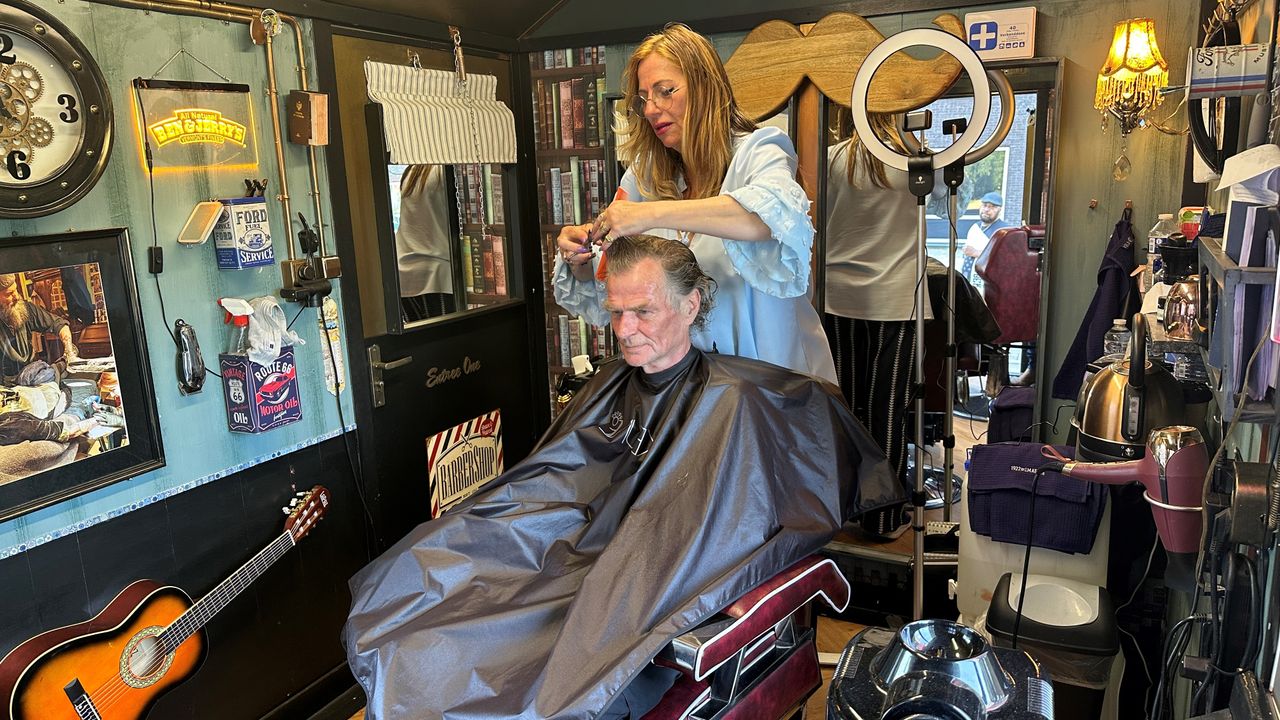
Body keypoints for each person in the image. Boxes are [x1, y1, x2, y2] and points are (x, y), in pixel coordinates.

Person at [344, 235, 902, 720]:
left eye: (643, 311)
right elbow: (552, 478)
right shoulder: (612, 384)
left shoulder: (739, 401)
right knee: (416, 591)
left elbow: (724, 520)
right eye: (615, 312)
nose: (625, 330)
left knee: (520, 678)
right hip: (567, 545)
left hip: (637, 577)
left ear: (691, 305)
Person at [553, 23, 836, 384]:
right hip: (692, 388)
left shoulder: (759, 152)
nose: (652, 109)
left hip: (772, 382)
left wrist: (648, 214)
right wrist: (581, 259)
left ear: (706, 88)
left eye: (665, 91)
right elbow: (612, 276)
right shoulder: (645, 177)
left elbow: (766, 219)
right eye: (643, 99)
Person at [823, 112, 934, 539]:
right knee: (887, 410)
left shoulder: (832, 159)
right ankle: (883, 518)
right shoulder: (916, 161)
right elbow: (936, 199)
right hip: (895, 299)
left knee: (846, 408)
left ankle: (844, 506)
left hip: (839, 295)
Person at [394, 165, 456, 322]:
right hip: (439, 273)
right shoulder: (445, 170)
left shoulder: (412, 171)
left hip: (403, 271)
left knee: (423, 341)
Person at [0, 273, 77, 384]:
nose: (16, 296)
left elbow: (58, 324)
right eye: (9, 293)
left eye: (16, 290)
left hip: (32, 377)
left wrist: (69, 349)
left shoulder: (25, 308)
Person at [961, 191, 1013, 284]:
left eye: (992, 207)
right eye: (985, 205)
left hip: (990, 283)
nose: (987, 210)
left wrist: (976, 252)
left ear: (999, 210)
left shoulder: (1004, 231)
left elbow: (1006, 258)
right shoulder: (975, 227)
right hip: (969, 281)